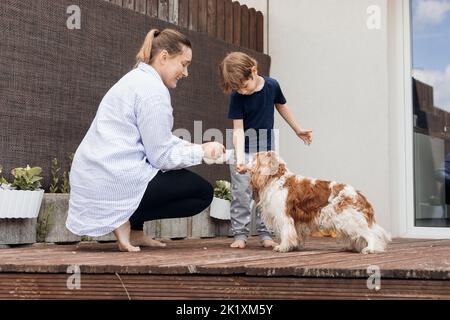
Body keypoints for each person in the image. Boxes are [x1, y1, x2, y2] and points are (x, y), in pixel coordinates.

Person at [66, 28, 225, 252]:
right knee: (202, 193)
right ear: (164, 57)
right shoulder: (153, 92)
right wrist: (201, 153)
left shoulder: (134, 79)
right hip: (112, 178)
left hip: (94, 175)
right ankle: (122, 218)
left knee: (146, 168)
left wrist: (198, 147)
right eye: (184, 64)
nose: (186, 73)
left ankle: (135, 230)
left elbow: (158, 140)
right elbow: (160, 157)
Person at [218, 52, 313, 249]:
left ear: (253, 71)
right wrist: (239, 158)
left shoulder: (272, 86)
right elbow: (237, 129)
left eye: (244, 86)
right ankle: (240, 234)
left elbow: (282, 107)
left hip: (267, 152)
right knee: (241, 194)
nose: (242, 92)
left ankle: (266, 233)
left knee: (267, 194)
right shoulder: (237, 96)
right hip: (244, 150)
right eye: (238, 89)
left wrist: (298, 129)